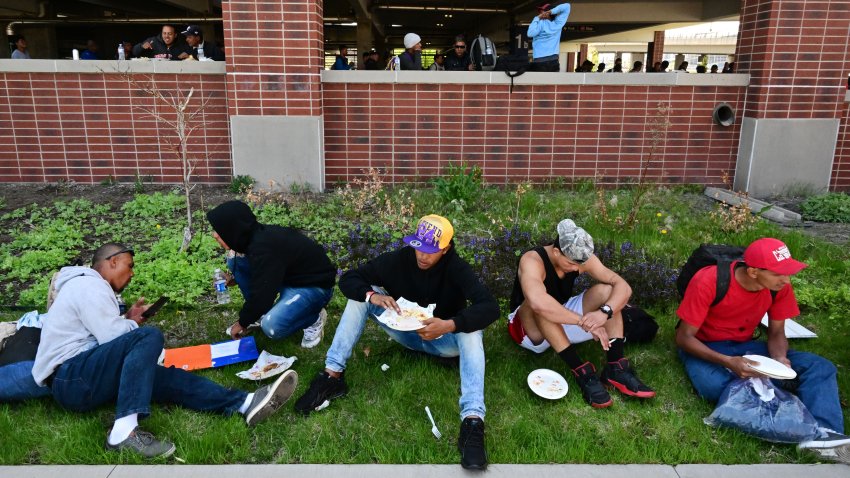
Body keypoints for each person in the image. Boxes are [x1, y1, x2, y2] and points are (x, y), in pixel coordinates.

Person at [31, 243, 297, 458]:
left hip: (83, 378)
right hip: (73, 377)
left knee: (164, 377)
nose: (132, 273)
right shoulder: (88, 285)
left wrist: (130, 322)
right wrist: (134, 329)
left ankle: (244, 404)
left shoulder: (87, 287)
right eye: (129, 265)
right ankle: (123, 431)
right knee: (149, 336)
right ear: (112, 261)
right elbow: (111, 337)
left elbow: (108, 339)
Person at [294, 215, 499, 470]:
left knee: (472, 331)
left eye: (431, 251)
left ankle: (472, 421)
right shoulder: (400, 260)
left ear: (445, 249)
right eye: (419, 247)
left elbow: (490, 307)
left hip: (443, 342)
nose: (423, 256)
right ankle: (332, 377)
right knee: (360, 298)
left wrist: (449, 325)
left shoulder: (457, 268)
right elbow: (350, 278)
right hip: (405, 333)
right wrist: (371, 295)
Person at [676, 238, 850, 452]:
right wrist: (729, 362)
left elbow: (777, 331)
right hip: (706, 347)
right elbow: (684, 338)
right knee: (712, 386)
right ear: (753, 272)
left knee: (821, 367)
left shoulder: (777, 287)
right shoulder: (709, 280)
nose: (786, 280)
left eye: (787, 272)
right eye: (778, 273)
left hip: (746, 345)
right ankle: (793, 418)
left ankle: (826, 434)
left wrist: (779, 359)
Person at [507, 219, 655, 408]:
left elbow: (623, 286)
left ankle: (615, 368)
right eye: (571, 264)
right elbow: (538, 304)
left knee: (607, 291)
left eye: (580, 264)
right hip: (530, 331)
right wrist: (583, 322)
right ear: (556, 252)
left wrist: (604, 313)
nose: (577, 269)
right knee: (539, 302)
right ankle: (583, 373)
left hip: (561, 317)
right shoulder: (532, 260)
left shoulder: (580, 258)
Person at [207, 200, 335, 348]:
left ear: (233, 230)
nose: (214, 235)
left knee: (272, 327)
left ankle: (313, 318)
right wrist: (235, 279)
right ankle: (260, 314)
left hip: (314, 286)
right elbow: (264, 274)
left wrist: (242, 322)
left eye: (219, 231)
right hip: (288, 276)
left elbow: (263, 292)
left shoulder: (265, 249)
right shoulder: (253, 239)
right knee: (235, 260)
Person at [527, 3, 570, 72]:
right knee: (553, 82)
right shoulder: (558, 23)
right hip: (553, 60)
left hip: (539, 60)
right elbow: (567, 6)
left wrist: (537, 18)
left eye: (542, 11)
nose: (540, 13)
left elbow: (530, 33)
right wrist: (551, 11)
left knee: (539, 82)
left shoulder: (540, 23)